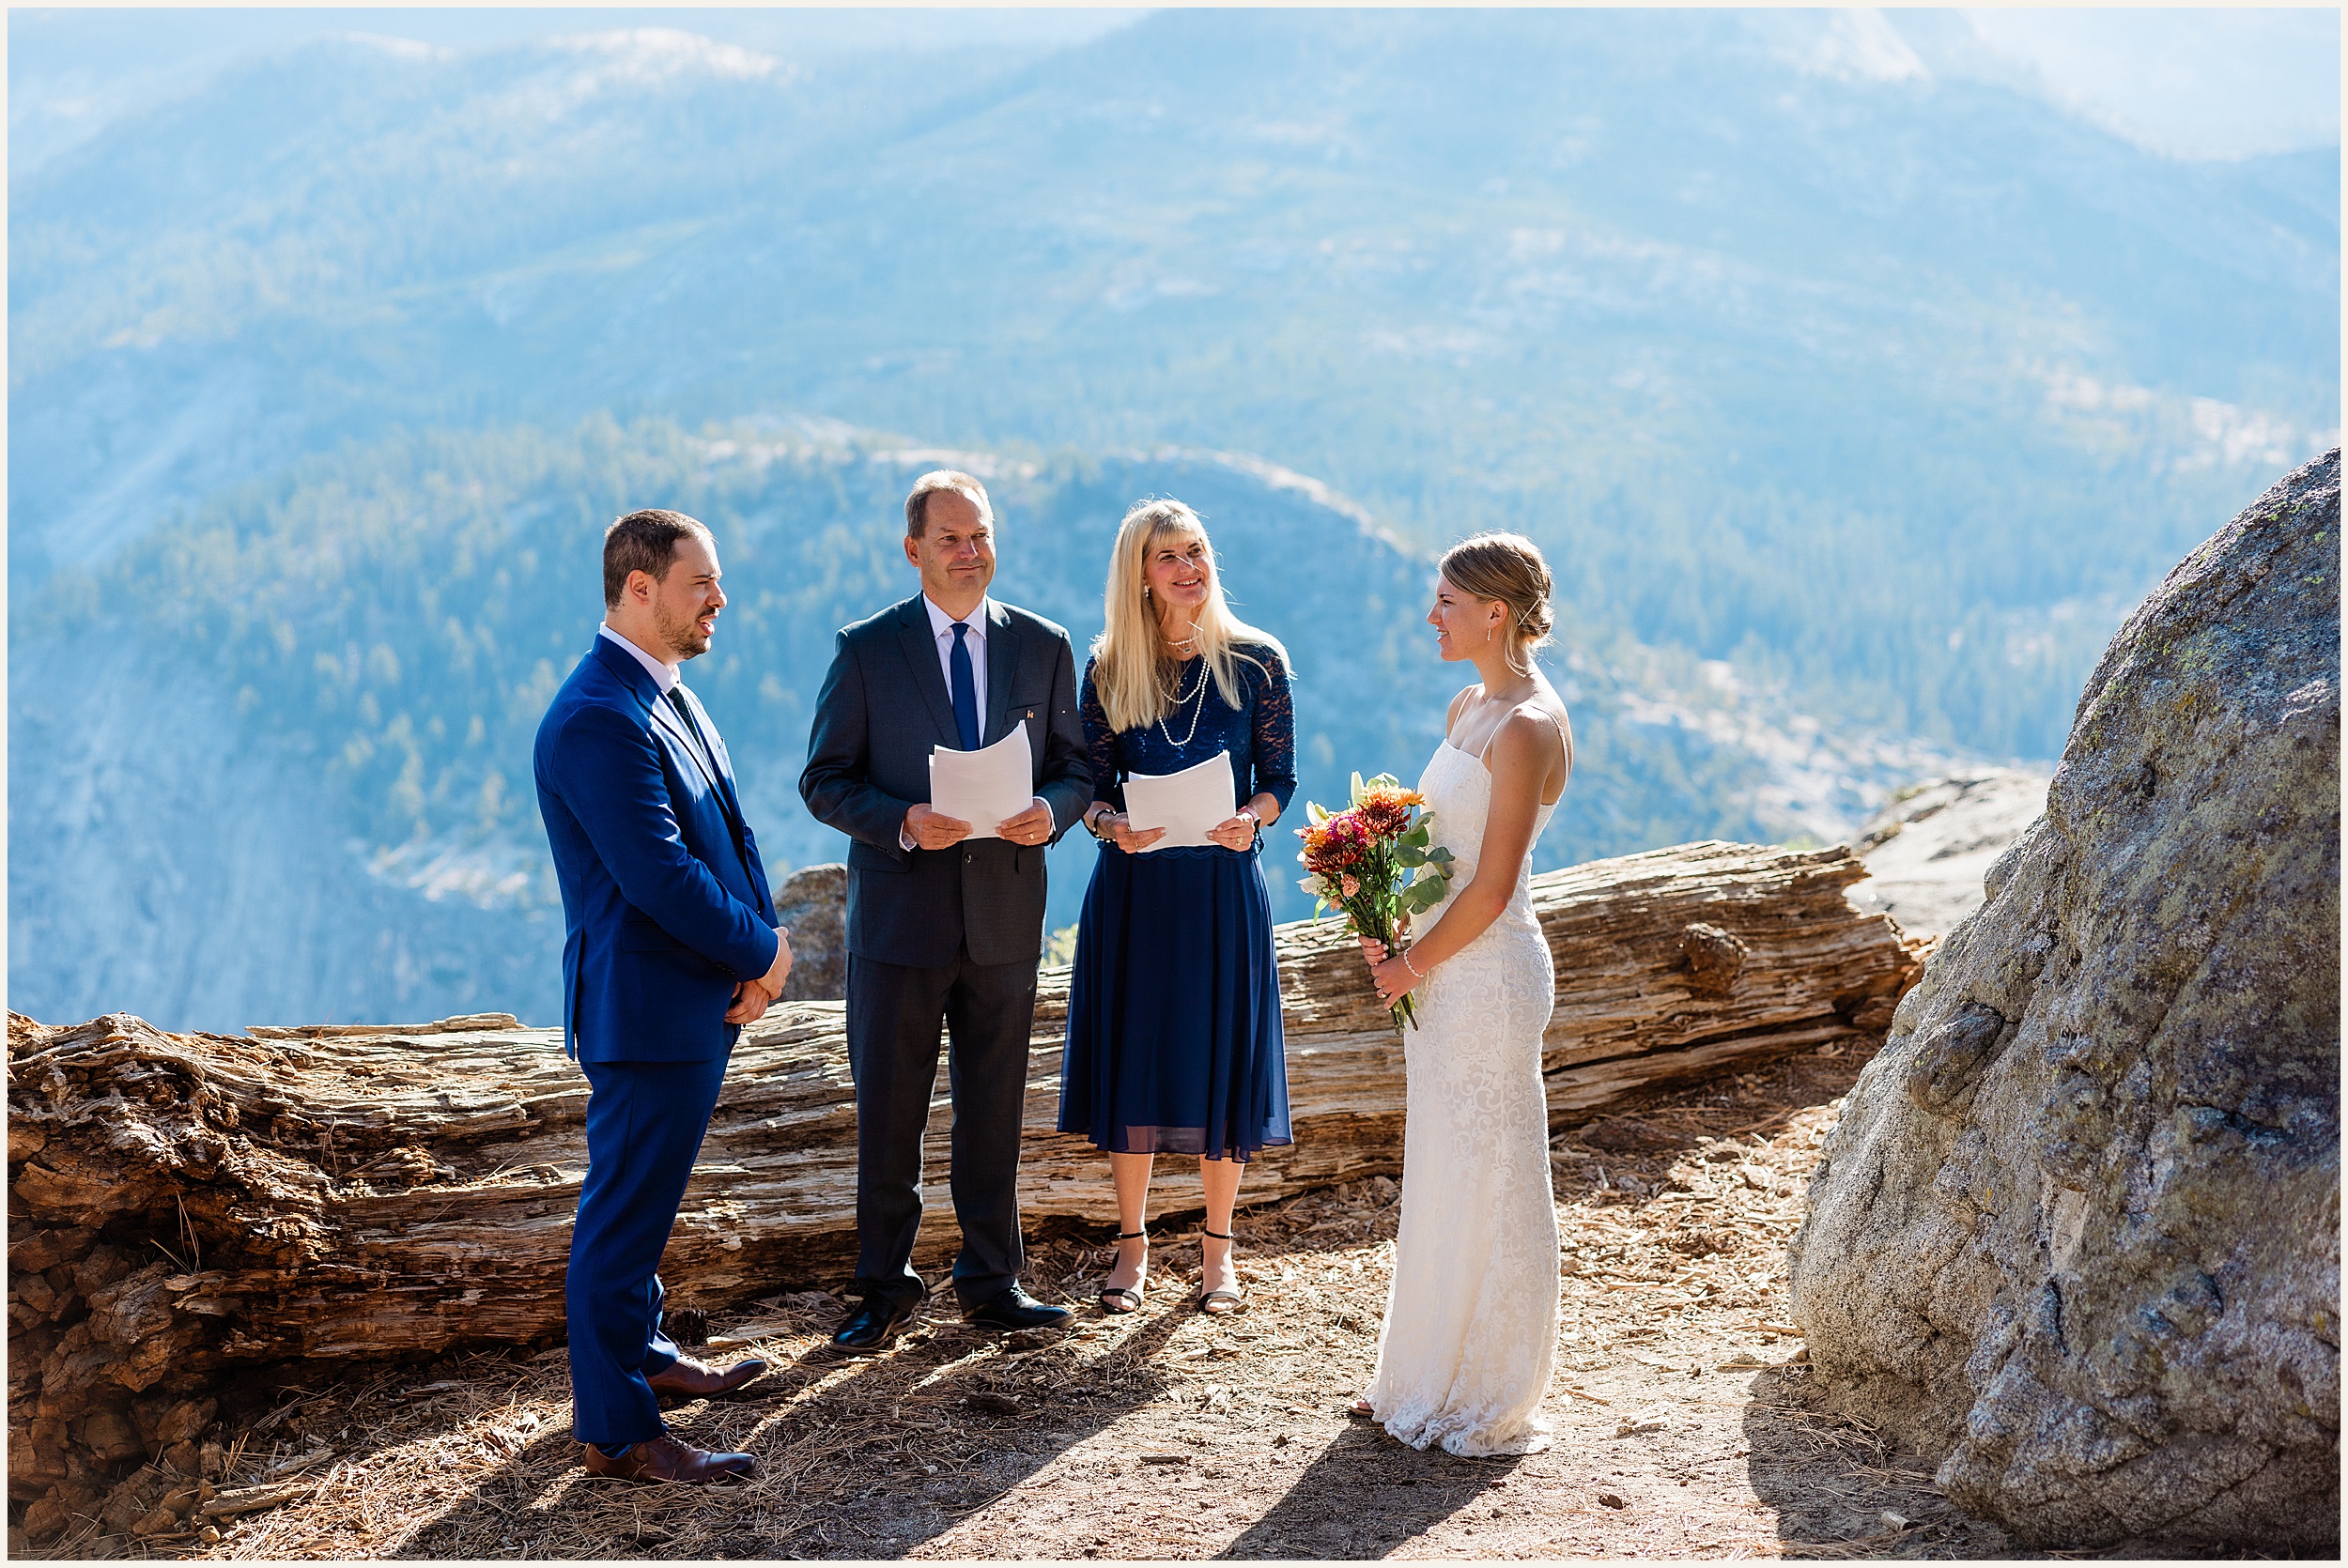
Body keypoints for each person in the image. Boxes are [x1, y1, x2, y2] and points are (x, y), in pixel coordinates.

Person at [799, 469, 1093, 1349]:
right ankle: (882, 1288)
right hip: (899, 923)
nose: (970, 554)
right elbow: (823, 782)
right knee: (891, 1113)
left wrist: (1057, 812)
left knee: (994, 1111)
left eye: (982, 537)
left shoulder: (1042, 646)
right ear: (914, 550)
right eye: (952, 539)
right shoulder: (865, 650)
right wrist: (901, 823)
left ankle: (992, 1282)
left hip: (1005, 918)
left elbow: (1078, 768)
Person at [534, 509, 795, 1484]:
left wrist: (750, 953)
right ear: (638, 588)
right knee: (620, 1219)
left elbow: (726, 832)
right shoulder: (599, 714)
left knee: (645, 1203)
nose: (720, 598)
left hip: (692, 995)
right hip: (647, 1011)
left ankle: (642, 1355)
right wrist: (765, 949)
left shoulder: (664, 692)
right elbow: (658, 875)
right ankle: (616, 1429)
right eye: (702, 583)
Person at [1352, 530, 1573, 1455]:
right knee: (1442, 1163)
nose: (1430, 616)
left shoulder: (1528, 726)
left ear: (1494, 611)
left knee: (1494, 1171)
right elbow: (1435, 852)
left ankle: (1488, 1385)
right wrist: (1378, 899)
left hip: (1487, 971)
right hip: (1439, 961)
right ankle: (1420, 1369)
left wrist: (1409, 963)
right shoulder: (1466, 703)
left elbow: (1489, 884)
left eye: (1444, 600)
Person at [1059, 498, 1295, 1316]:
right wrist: (1108, 823)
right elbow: (1088, 787)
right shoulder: (1105, 668)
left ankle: (1218, 1252)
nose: (1189, 567)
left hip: (1223, 886)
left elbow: (1279, 780)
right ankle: (1132, 1245)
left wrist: (1252, 820)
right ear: (1140, 575)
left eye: (1196, 550)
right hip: (1135, 887)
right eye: (1168, 557)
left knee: (1220, 1058)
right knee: (1137, 1055)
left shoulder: (1259, 660)